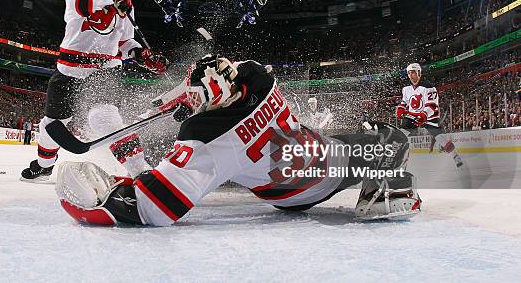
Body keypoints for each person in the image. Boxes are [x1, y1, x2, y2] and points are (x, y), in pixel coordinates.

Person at [54, 55, 420, 227]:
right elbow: (234, 72)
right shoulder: (258, 78)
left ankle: (391, 188)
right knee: (394, 139)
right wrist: (190, 97)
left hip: (299, 188)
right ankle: (387, 173)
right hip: (324, 158)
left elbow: (154, 208)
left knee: (384, 139)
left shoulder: (206, 139)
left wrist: (107, 201)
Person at [20, 0, 169, 182]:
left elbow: (125, 41)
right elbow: (85, 7)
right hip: (69, 70)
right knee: (52, 125)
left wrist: (143, 54)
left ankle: (140, 171)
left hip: (105, 71)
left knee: (105, 118)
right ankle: (44, 165)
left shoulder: (122, 3)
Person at [396, 63, 464, 167]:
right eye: (409, 73)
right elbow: (404, 102)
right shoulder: (406, 89)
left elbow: (432, 105)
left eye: (413, 73)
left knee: (440, 137)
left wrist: (423, 115)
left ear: (419, 73)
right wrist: (400, 108)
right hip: (413, 115)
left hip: (428, 117)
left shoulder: (428, 87)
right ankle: (398, 160)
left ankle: (455, 156)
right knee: (402, 134)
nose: (411, 75)